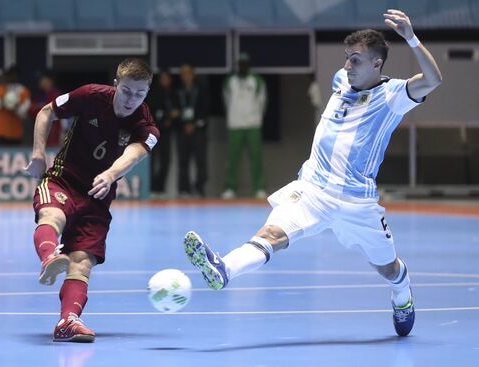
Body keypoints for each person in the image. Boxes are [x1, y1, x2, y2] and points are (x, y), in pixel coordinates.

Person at [184, 10, 442, 337]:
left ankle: (402, 293)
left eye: (356, 60)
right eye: (347, 58)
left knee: (387, 267)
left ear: (377, 64)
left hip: (356, 203)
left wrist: (411, 38)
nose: (348, 66)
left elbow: (434, 80)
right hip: (313, 190)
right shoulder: (340, 81)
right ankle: (224, 270)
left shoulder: (392, 96)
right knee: (272, 234)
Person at [24, 58, 159, 343]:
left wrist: (109, 175)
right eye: (127, 91)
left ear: (147, 93)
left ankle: (68, 322)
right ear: (115, 85)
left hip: (98, 196)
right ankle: (49, 257)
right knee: (52, 216)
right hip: (63, 178)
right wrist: (38, 153)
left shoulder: (146, 126)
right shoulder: (90, 95)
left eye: (139, 94)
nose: (131, 100)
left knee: (82, 261)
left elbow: (133, 155)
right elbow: (47, 112)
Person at [221, 53, 267, 199]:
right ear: (237, 65)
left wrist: (256, 117)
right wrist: (234, 115)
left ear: (249, 65)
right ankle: (230, 188)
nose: (242, 66)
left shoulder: (257, 80)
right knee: (232, 158)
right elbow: (226, 100)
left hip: (253, 124)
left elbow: (262, 101)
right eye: (240, 63)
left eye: (245, 63)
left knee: (256, 157)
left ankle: (259, 188)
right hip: (235, 124)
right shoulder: (230, 81)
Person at [176, 63, 210, 198]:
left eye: (188, 73)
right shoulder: (177, 90)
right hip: (182, 130)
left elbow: (206, 108)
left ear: (193, 74)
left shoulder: (201, 89)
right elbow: (174, 109)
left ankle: (199, 187)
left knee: (201, 160)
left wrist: (195, 124)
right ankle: (184, 189)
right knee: (183, 161)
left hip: (198, 130)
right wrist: (182, 123)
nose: (186, 76)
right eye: (183, 73)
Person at [147, 70, 179, 198]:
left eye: (167, 78)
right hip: (154, 132)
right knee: (152, 160)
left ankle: (160, 188)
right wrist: (167, 116)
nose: (165, 80)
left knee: (166, 159)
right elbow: (152, 111)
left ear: (170, 79)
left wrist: (171, 118)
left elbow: (177, 112)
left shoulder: (174, 93)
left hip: (167, 133)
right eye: (163, 78)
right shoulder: (154, 93)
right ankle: (152, 188)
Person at [0, 66, 31, 146]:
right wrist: (2, 103)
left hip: (16, 134)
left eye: (12, 74)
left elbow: (25, 113)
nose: (10, 77)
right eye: (8, 74)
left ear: (17, 75)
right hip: (0, 133)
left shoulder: (23, 91)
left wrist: (16, 106)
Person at [29, 70, 65, 147]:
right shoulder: (38, 95)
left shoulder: (56, 95)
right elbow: (30, 110)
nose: (40, 81)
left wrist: (38, 108)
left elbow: (51, 112)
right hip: (40, 135)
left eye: (42, 79)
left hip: (53, 135)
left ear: (49, 81)